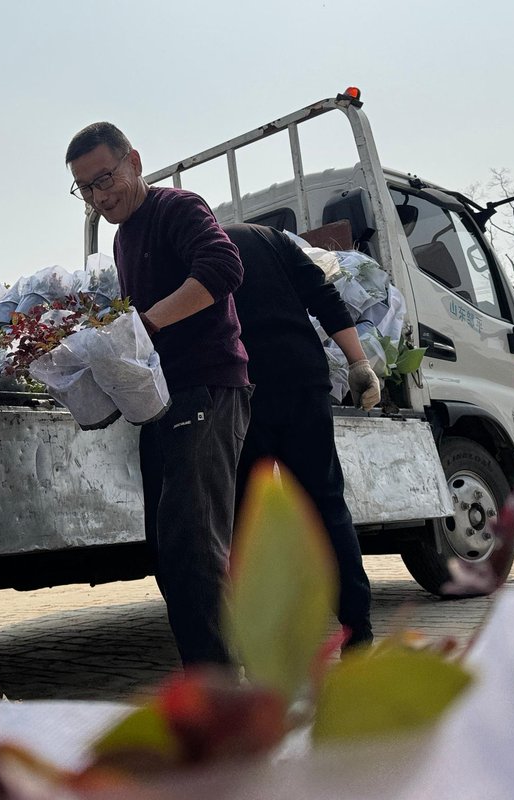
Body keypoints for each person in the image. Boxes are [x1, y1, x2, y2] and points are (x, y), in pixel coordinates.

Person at [66, 123, 252, 667]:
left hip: (208, 387)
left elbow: (224, 267)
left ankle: (225, 700)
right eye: (86, 189)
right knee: (172, 552)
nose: (101, 196)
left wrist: (144, 324)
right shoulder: (123, 238)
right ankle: (216, 682)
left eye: (106, 178)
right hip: (164, 400)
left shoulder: (178, 208)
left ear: (135, 161)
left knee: (195, 550)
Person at [225, 221, 378, 648]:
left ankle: (264, 643)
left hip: (241, 393)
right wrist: (358, 362)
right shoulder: (267, 237)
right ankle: (357, 631)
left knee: (246, 521)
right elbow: (322, 294)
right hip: (301, 382)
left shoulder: (194, 245)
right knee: (325, 506)